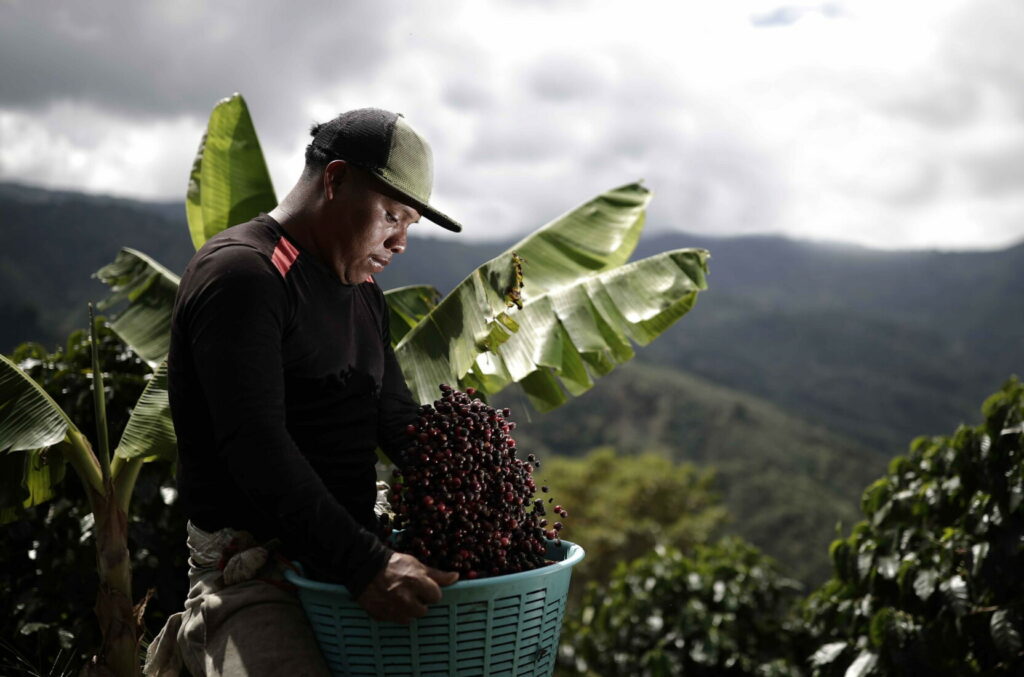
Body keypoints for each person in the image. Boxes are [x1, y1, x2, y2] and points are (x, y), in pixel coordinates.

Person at [145, 108, 461, 676]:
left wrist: (473, 484)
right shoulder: (245, 275)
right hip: (256, 576)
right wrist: (365, 566)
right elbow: (254, 446)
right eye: (392, 215)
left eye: (410, 224)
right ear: (335, 180)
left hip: (348, 554)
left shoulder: (362, 294)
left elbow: (396, 419)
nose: (401, 242)